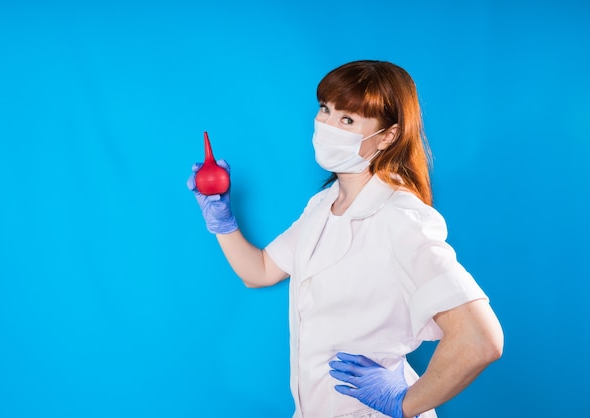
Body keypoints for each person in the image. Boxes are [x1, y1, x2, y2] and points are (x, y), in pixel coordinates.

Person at [187, 60, 504, 418]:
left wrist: (404, 402)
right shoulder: (322, 207)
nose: (326, 126)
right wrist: (222, 221)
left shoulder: (400, 219)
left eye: (348, 120)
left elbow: (481, 340)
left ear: (388, 136)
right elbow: (258, 271)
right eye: (326, 110)